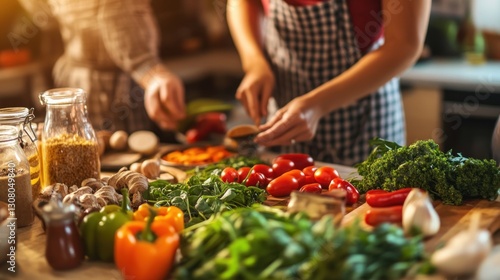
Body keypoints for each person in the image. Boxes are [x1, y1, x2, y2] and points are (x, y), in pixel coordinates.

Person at [227, 0, 431, 166]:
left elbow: (404, 45)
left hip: (364, 123)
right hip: (285, 120)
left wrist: (317, 104)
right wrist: (254, 62)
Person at [18, 0, 186, 135]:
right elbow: (118, 14)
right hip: (111, 88)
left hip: (76, 78)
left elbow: (45, 17)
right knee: (125, 167)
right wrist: (152, 73)